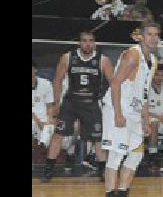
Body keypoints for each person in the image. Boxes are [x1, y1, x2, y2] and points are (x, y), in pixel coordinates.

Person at [99, 22, 162, 197]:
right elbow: (116, 82)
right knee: (117, 154)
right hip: (119, 108)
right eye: (149, 34)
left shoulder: (153, 60)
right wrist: (118, 113)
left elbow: (143, 91)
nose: (153, 38)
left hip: (134, 111)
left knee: (136, 154)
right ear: (141, 37)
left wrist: (145, 118)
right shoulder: (132, 54)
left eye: (156, 35)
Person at [45, 31, 114, 182]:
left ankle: (102, 171)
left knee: (98, 138)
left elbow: (114, 83)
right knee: (58, 135)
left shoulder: (103, 60)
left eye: (90, 41)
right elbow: (57, 81)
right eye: (84, 41)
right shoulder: (68, 57)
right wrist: (56, 104)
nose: (87, 44)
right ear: (79, 43)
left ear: (95, 43)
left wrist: (109, 102)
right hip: (71, 102)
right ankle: (48, 169)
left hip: (91, 103)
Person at [145, 67, 163, 171]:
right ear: (152, 75)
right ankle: (153, 157)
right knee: (154, 123)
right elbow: (143, 109)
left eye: (162, 75)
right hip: (147, 120)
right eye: (157, 75)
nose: (160, 77)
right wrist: (159, 117)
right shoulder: (145, 88)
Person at [32, 60, 55, 148]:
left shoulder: (46, 83)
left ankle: (42, 145)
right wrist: (38, 122)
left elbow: (50, 106)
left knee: (50, 127)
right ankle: (41, 145)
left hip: (43, 117)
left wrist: (49, 119)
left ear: (35, 70)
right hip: (34, 118)